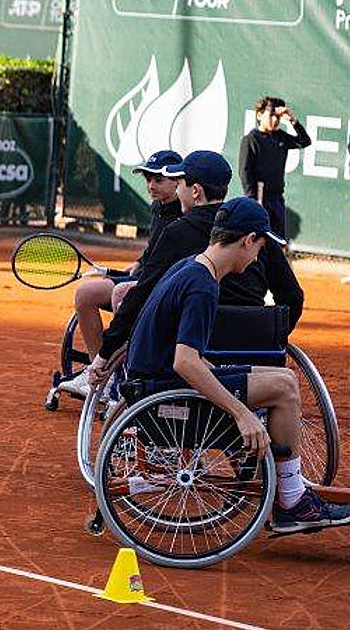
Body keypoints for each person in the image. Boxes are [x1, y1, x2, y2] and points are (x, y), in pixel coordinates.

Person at [121, 196, 350, 534]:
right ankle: (290, 499)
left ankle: (288, 487)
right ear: (247, 241)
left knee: (281, 376)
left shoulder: (190, 266)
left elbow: (184, 353)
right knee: (285, 387)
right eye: (261, 247)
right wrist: (241, 413)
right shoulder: (202, 285)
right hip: (166, 397)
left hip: (151, 384)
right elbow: (185, 361)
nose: (259, 257)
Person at [88, 150, 304, 389]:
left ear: (195, 191)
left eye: (179, 183)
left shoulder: (177, 233)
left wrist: (104, 353)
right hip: (251, 348)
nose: (177, 190)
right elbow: (292, 296)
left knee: (131, 296)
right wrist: (270, 339)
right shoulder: (255, 233)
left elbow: (141, 296)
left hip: (192, 354)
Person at [56, 150, 183, 399]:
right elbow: (154, 250)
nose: (151, 185)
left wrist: (145, 271)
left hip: (161, 284)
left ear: (177, 181)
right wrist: (139, 262)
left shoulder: (184, 212)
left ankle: (124, 379)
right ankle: (101, 375)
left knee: (120, 292)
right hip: (145, 275)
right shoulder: (159, 207)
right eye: (148, 179)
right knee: (86, 293)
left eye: (158, 180)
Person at [239, 96, 310, 240]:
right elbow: (245, 171)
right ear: (259, 115)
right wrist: (253, 201)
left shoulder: (280, 137)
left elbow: (304, 141)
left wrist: (292, 120)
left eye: (278, 117)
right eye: (271, 115)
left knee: (278, 241)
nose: (275, 120)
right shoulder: (251, 140)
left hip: (277, 199)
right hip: (259, 199)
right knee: (259, 241)